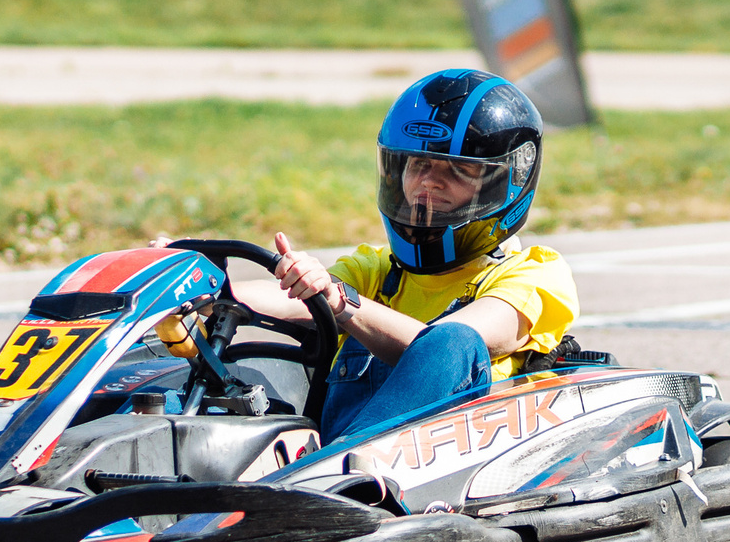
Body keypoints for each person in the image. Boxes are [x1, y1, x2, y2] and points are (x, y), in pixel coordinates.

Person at [228, 69, 579, 448]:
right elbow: (283, 298)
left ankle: (340, 466)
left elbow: (445, 349)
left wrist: (341, 302)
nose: (429, 182)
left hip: (457, 456)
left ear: (505, 185)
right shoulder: (378, 271)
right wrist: (199, 283)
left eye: (459, 170)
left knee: (452, 341)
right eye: (419, 165)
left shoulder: (536, 275)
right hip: (343, 459)